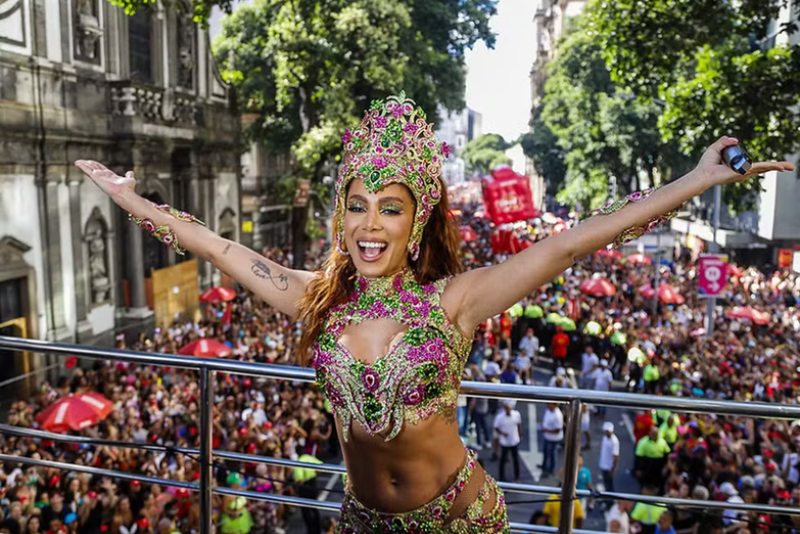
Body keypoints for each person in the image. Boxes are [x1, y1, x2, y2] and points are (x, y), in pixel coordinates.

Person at [76, 90, 793, 533]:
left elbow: (571, 243)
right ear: (340, 217)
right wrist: (131, 198)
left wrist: (696, 180)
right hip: (361, 520)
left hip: (458, 519)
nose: (370, 225)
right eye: (357, 206)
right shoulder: (314, 297)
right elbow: (220, 247)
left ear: (415, 224)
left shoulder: (456, 301)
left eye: (389, 209)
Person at [493, 400, 522, 482]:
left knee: (515, 459)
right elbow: (496, 428)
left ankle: (517, 476)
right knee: (502, 460)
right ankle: (501, 477)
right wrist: (503, 433)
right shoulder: (499, 417)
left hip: (514, 441)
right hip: (504, 442)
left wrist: (520, 435)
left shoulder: (516, 415)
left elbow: (519, 425)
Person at [540, 403, 564, 476]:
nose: (547, 405)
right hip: (547, 436)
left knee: (552, 453)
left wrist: (546, 430)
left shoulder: (558, 415)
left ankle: (551, 469)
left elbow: (557, 430)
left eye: (549, 404)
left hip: (554, 438)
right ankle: (544, 465)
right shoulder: (548, 410)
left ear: (554, 405)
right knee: (545, 451)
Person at [600, 421, 620, 495]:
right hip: (603, 464)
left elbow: (616, 457)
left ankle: (610, 498)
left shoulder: (614, 441)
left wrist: (612, 470)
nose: (607, 432)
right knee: (606, 483)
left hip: (609, 467)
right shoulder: (605, 437)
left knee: (609, 485)